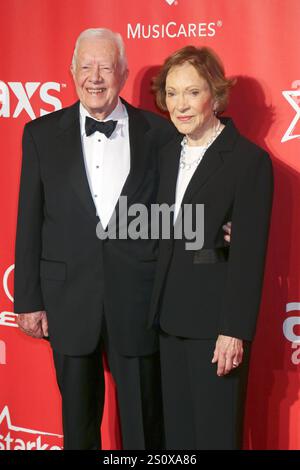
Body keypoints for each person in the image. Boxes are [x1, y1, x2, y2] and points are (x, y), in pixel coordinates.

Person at [13, 27, 178, 450]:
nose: (95, 76)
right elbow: (29, 221)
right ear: (71, 72)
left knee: (146, 426)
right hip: (68, 299)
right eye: (86, 66)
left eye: (106, 67)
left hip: (139, 302)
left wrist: (218, 226)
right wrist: (28, 300)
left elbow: (175, 213)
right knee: (79, 427)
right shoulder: (40, 134)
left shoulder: (159, 135)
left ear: (123, 73)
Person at [149, 45, 273, 450]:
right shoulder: (165, 155)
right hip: (167, 322)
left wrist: (233, 331)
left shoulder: (247, 161)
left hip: (215, 329)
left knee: (215, 438)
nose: (179, 105)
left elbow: (248, 258)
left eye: (192, 92)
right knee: (177, 441)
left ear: (216, 96)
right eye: (171, 93)